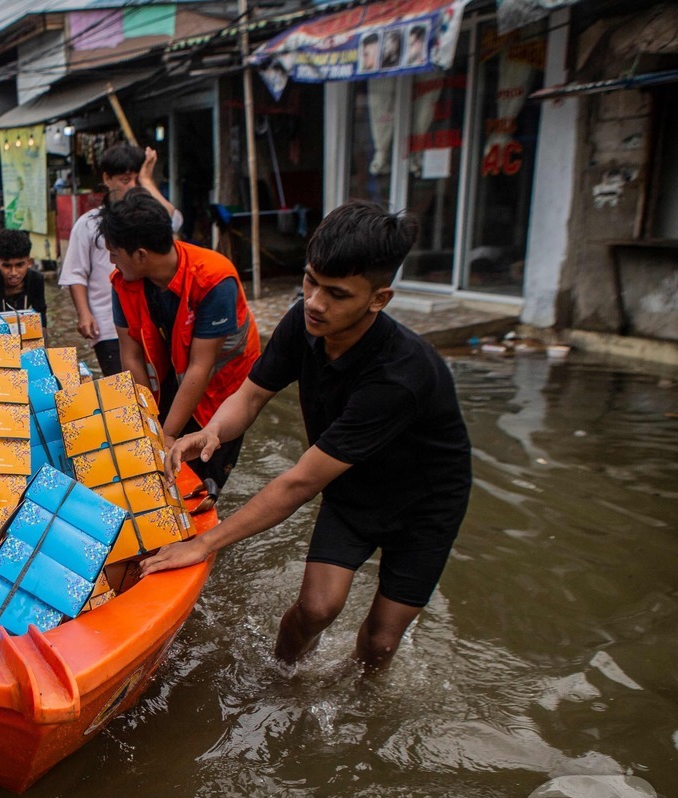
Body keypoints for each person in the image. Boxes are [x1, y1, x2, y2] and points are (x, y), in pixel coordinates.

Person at [142, 203, 473, 674]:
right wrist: (213, 429)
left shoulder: (400, 376)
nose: (315, 301)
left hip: (425, 504)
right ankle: (283, 678)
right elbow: (252, 396)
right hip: (354, 484)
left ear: (379, 300)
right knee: (316, 609)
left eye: (336, 294)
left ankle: (360, 708)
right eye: (311, 280)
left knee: (380, 641)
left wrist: (204, 543)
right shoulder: (304, 322)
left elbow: (299, 484)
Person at [102, 189, 260, 502]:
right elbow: (130, 353)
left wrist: (169, 434)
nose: (111, 260)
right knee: (157, 458)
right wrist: (148, 423)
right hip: (174, 372)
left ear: (142, 255)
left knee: (203, 468)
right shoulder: (124, 280)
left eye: (115, 252)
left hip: (222, 387)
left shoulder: (214, 279)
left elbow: (202, 367)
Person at [59, 144, 182, 378]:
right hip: (107, 323)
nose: (132, 187)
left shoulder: (148, 221)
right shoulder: (89, 224)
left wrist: (147, 180)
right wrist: (84, 314)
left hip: (151, 320)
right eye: (125, 180)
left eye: (137, 180)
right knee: (122, 387)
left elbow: (174, 221)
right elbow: (76, 273)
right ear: (107, 178)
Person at [0, 228, 46, 324]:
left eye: (19, 265)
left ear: (29, 263)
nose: (13, 272)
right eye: (7, 266)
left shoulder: (36, 279)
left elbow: (41, 318)